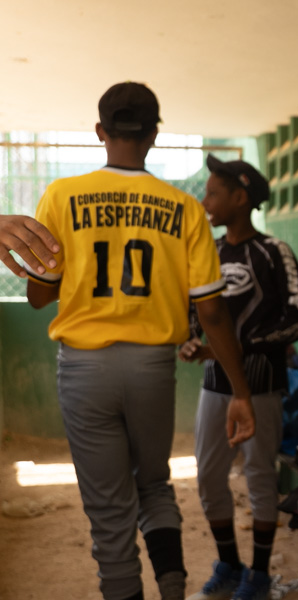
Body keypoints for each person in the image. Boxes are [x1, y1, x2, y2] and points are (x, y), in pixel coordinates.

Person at [25, 82, 255, 600]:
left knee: (109, 510)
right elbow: (213, 310)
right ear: (154, 133)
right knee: (153, 483)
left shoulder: (61, 197)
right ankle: (173, 589)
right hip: (153, 367)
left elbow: (40, 296)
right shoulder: (185, 209)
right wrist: (239, 391)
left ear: (101, 132)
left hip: (84, 369)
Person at [179, 154, 298, 600]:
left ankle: (258, 576)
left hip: (261, 387)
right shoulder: (209, 252)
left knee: (259, 476)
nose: (205, 201)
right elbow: (193, 312)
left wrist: (244, 348)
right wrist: (191, 339)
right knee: (209, 476)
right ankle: (229, 565)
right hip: (214, 387)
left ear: (241, 198)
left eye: (214, 193)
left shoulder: (275, 252)